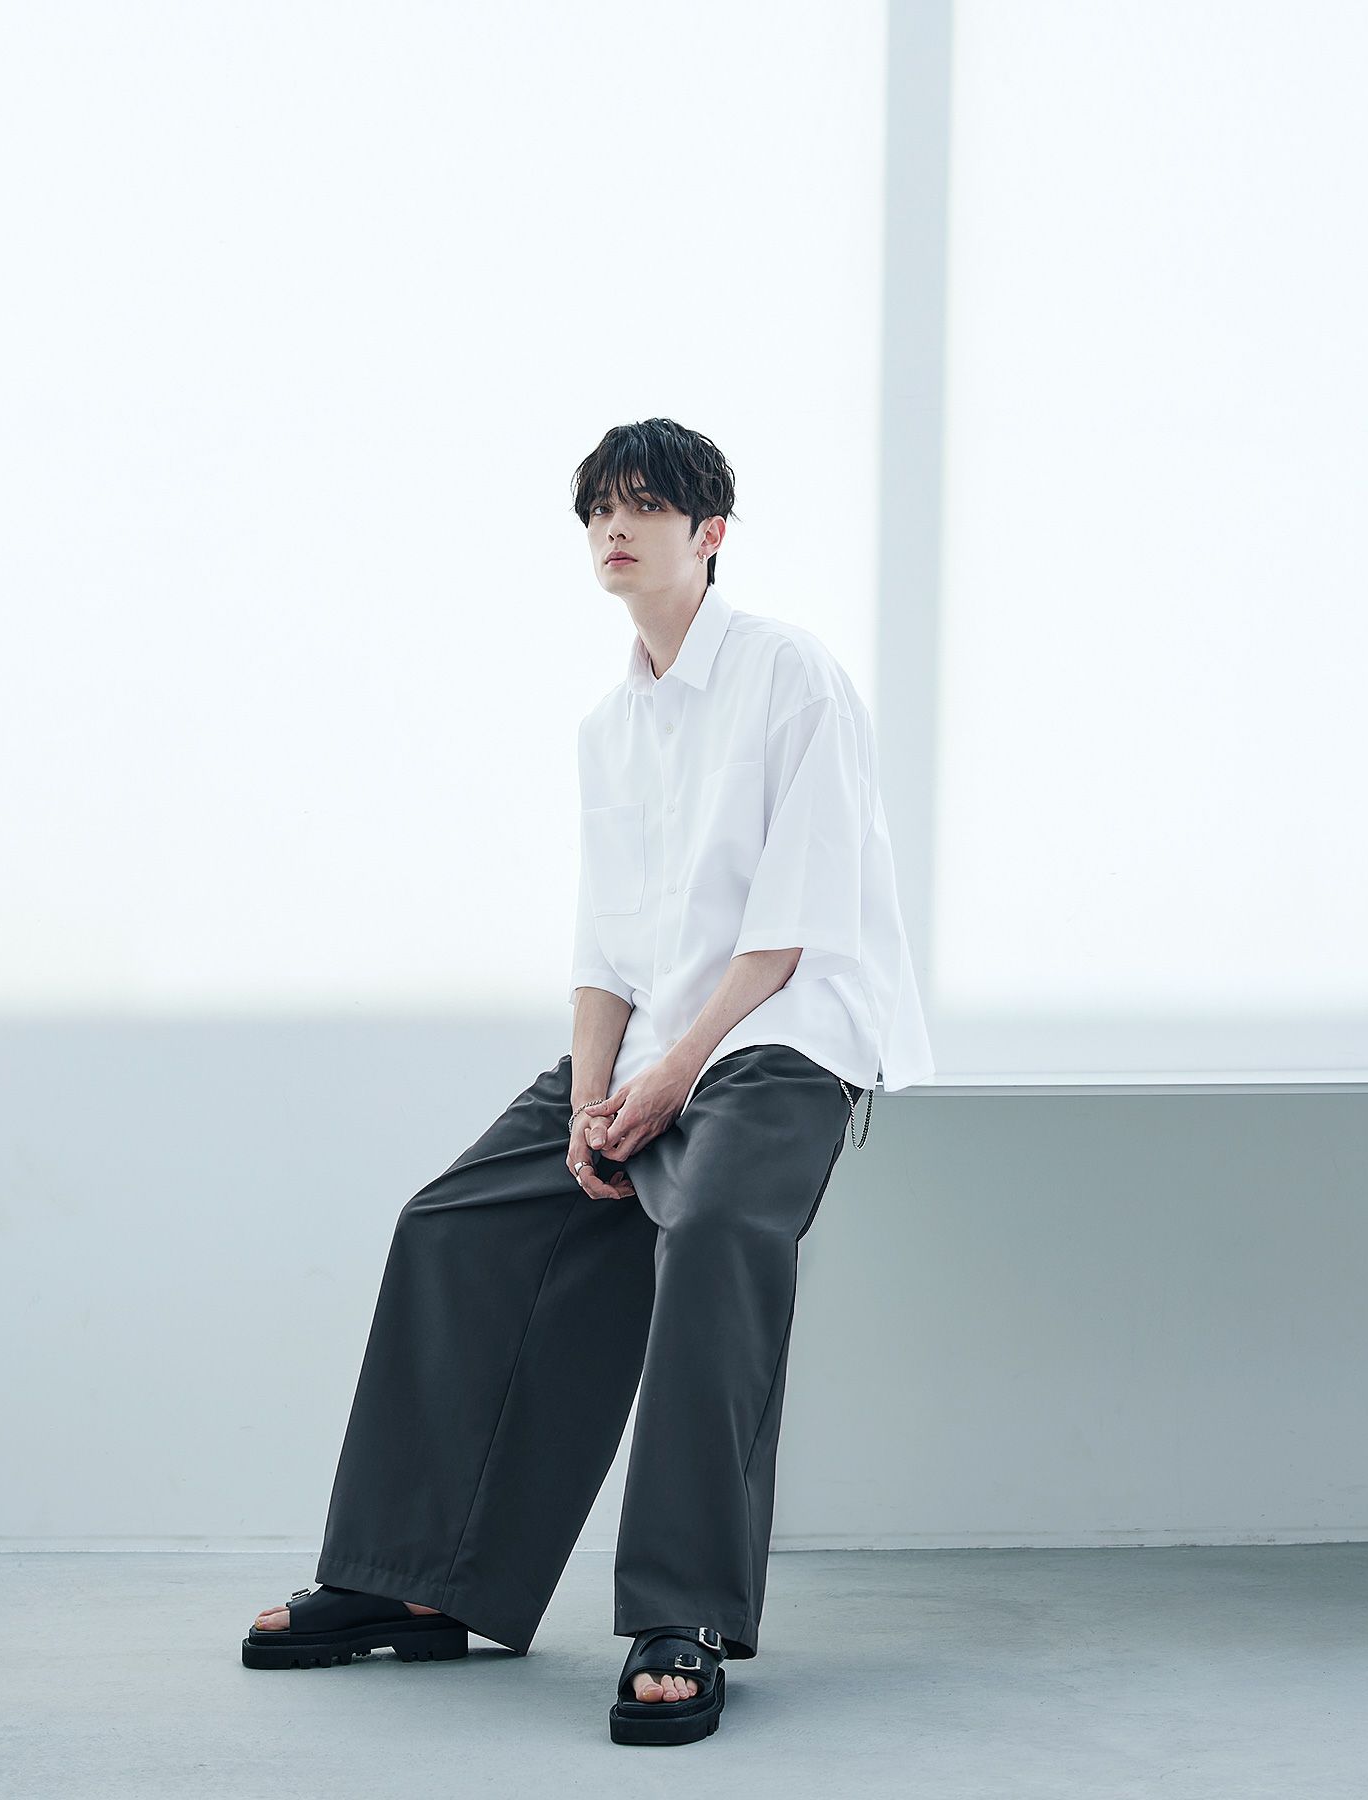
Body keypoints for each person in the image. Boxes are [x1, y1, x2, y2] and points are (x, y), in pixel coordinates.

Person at [239, 417, 935, 1746]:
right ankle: (413, 1583)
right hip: (658, 1042)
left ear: (709, 533)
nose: (615, 528)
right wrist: (591, 1094)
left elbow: (789, 931)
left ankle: (681, 1616)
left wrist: (671, 1078)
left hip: (782, 1037)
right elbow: (608, 949)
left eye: (645, 506)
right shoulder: (609, 728)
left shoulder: (788, 675)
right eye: (599, 509)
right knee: (454, 1222)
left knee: (714, 1233)